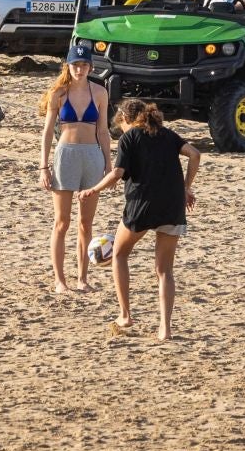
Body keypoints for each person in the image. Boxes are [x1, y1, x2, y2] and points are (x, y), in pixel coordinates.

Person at [80, 99, 201, 342]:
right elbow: (195, 154)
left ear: (125, 119)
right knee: (165, 270)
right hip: (172, 204)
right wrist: (186, 187)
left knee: (120, 254)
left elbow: (117, 173)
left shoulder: (130, 137)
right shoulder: (167, 134)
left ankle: (125, 315)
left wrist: (93, 190)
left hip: (142, 205)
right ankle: (165, 329)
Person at [39, 42, 113, 293]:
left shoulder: (100, 92)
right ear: (68, 66)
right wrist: (43, 166)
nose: (80, 69)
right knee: (62, 222)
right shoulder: (59, 93)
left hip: (92, 156)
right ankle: (60, 280)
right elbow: (48, 131)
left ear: (90, 66)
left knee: (86, 222)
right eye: (76, 65)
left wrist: (109, 164)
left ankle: (82, 278)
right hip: (66, 155)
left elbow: (103, 131)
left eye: (84, 65)